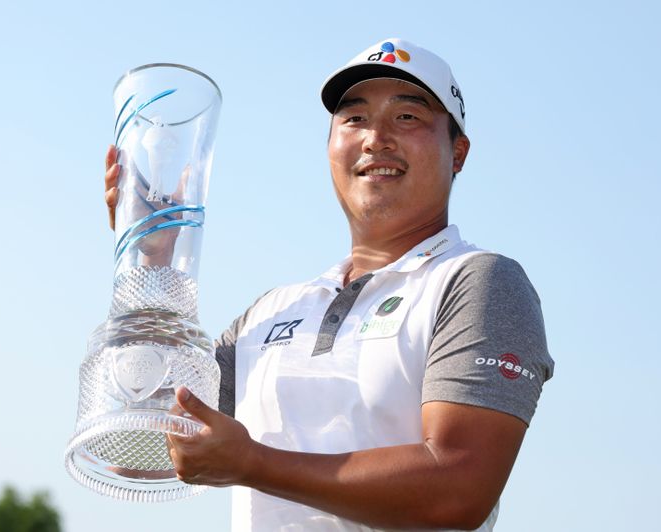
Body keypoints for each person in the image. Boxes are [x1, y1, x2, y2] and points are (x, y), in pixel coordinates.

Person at [103, 37, 554, 531]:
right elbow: (138, 449)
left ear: (458, 153)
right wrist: (155, 257)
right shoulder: (268, 313)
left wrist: (254, 464)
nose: (376, 138)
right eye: (355, 118)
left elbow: (459, 489)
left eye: (407, 117)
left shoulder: (477, 281)